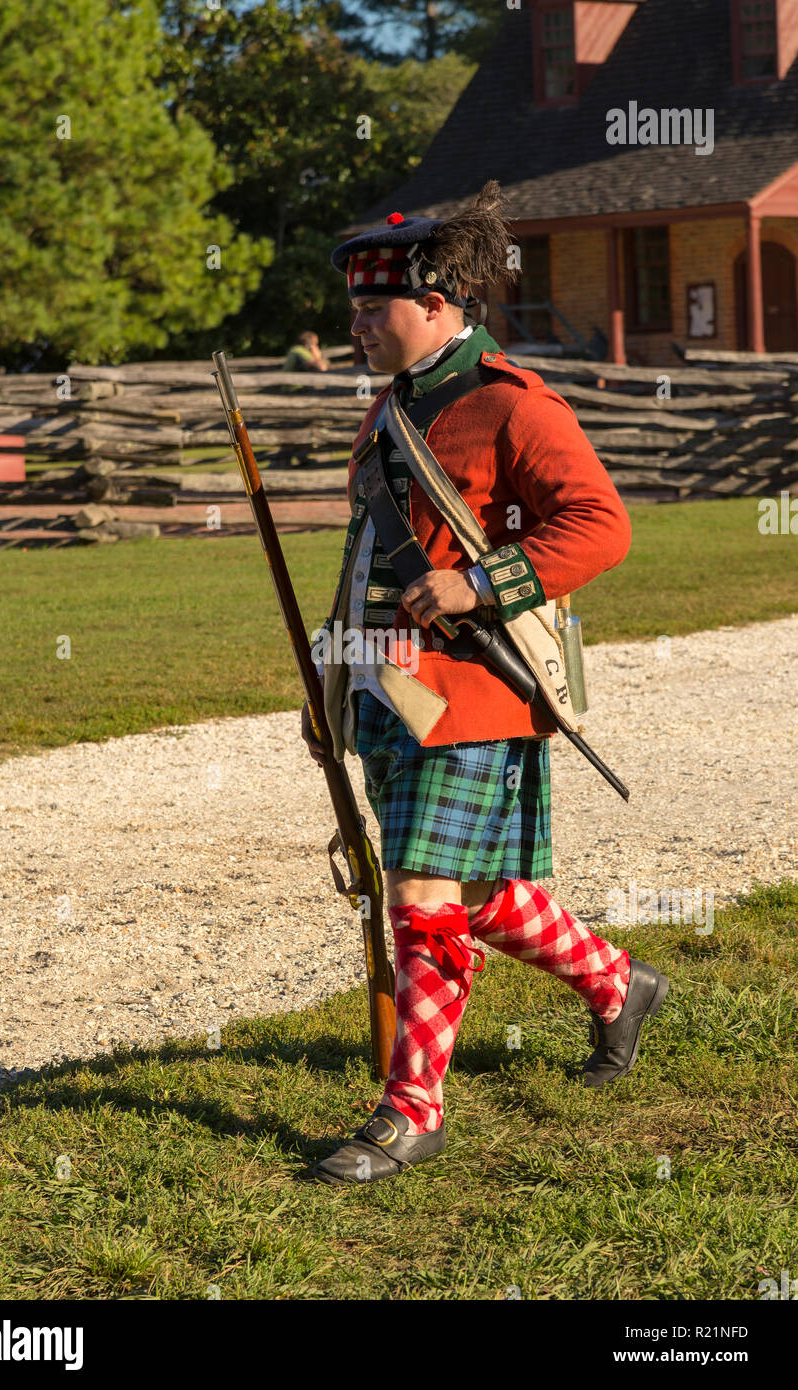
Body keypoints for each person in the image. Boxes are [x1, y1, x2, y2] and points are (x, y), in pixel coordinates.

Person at [303, 181, 669, 1185]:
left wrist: (474, 581)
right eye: (351, 310)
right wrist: (329, 683)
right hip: (388, 690)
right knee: (461, 890)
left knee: (419, 894)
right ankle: (614, 980)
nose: (357, 327)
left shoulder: (509, 403)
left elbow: (600, 527)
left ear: (434, 302)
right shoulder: (388, 414)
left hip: (477, 691)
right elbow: (364, 566)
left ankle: (411, 1109)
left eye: (373, 309)